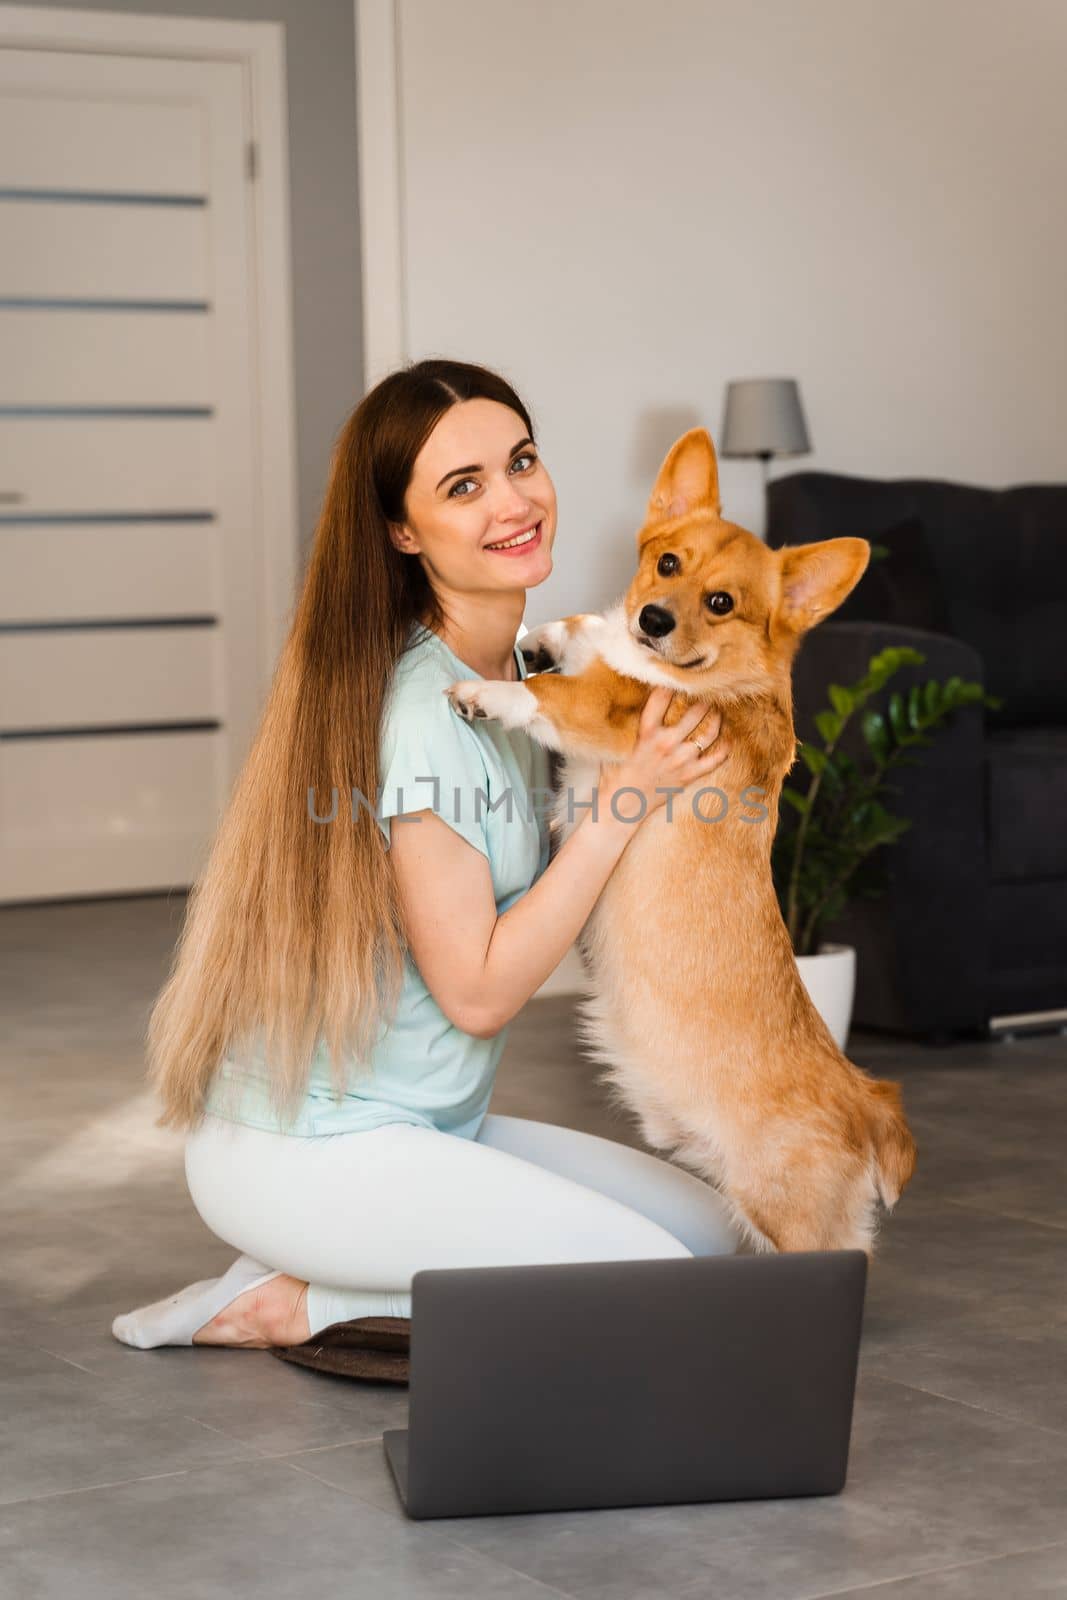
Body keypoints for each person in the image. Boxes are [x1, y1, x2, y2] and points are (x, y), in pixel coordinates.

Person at [111, 358, 738, 1354]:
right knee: (662, 1292)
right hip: (305, 1153)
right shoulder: (427, 710)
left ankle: (342, 1266)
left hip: (425, 1129)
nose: (514, 499)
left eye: (520, 461)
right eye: (464, 486)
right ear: (403, 531)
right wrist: (623, 802)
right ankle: (296, 1299)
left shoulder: (508, 679)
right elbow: (481, 995)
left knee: (722, 1251)